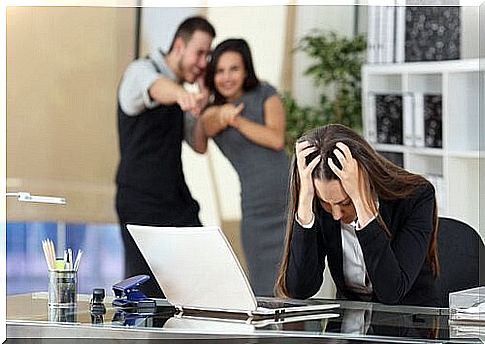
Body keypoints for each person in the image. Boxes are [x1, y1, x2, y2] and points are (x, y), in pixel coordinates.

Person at [275, 124, 440, 306]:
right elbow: (300, 290)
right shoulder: (320, 207)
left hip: (409, 324)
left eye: (345, 202)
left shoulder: (416, 197)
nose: (336, 214)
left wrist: (361, 202)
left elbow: (392, 292)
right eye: (326, 203)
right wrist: (305, 202)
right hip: (351, 325)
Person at [115, 16, 216, 297]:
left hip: (176, 201)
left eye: (208, 54)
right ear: (179, 46)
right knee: (147, 293)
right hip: (140, 203)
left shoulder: (182, 93)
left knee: (206, 275)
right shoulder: (140, 71)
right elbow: (157, 87)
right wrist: (184, 96)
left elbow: (199, 145)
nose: (203, 62)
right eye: (200, 52)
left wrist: (203, 104)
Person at [193, 39, 288, 296]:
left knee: (295, 283)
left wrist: (236, 121)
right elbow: (203, 134)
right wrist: (221, 112)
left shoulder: (266, 94)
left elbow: (276, 139)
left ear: (246, 69)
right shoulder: (212, 112)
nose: (227, 77)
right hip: (256, 209)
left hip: (290, 199)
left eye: (234, 69)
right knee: (263, 285)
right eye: (220, 71)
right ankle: (265, 337)